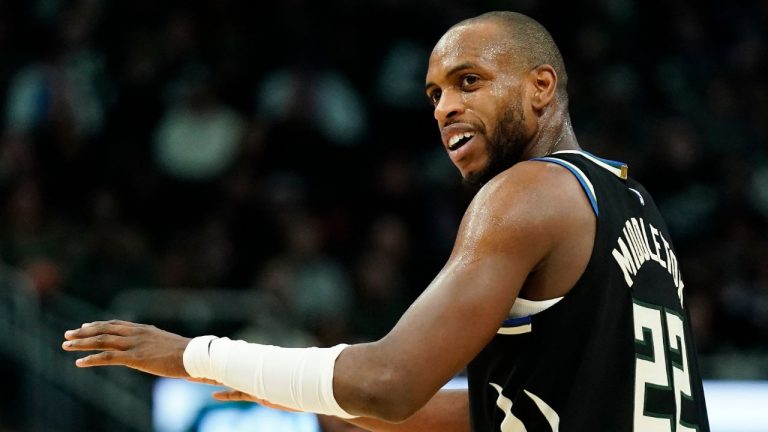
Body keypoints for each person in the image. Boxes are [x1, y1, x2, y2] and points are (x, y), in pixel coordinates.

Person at [62, 10, 711, 431]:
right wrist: (311, 394)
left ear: (541, 86)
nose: (444, 108)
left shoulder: (526, 193)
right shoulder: (631, 204)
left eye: (468, 81)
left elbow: (390, 382)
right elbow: (510, 408)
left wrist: (194, 357)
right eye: (434, 94)